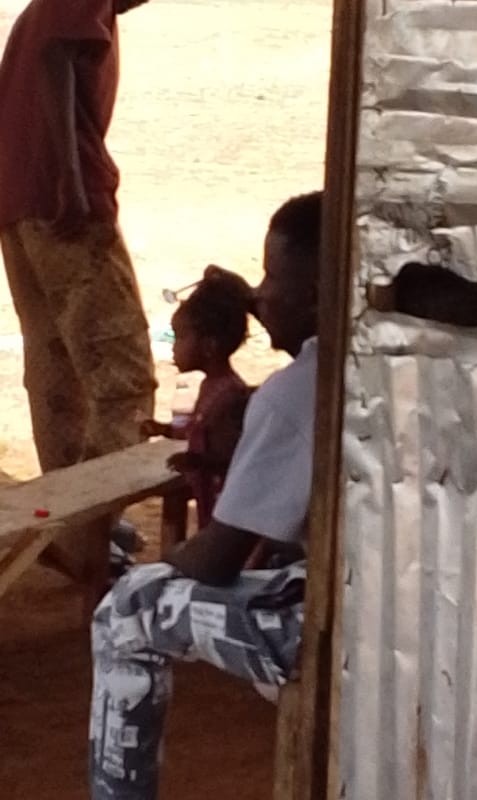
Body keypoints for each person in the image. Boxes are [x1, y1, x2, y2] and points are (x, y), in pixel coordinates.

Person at [89, 191, 321, 800]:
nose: (262, 295)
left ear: (321, 291)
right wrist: (251, 295)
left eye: (274, 275)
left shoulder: (292, 396)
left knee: (125, 612)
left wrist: (159, 569)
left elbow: (218, 560)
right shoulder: (382, 363)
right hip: (391, 604)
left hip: (327, 629)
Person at [0, 0, 156, 572]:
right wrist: (69, 175)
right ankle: (89, 528)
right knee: (124, 380)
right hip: (66, 205)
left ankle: (65, 528)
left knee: (58, 372)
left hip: (21, 204)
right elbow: (55, 63)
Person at [140, 265, 253, 527]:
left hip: (229, 512)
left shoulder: (230, 398)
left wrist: (197, 462)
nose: (174, 347)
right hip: (212, 503)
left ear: (209, 346)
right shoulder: (211, 388)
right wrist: (164, 429)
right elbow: (198, 432)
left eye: (180, 337)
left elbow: (235, 460)